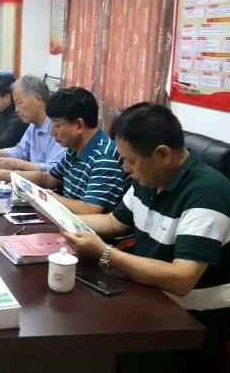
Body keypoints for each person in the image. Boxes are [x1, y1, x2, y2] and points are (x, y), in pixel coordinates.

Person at [63, 103, 230, 371]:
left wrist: (105, 253)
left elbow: (182, 278)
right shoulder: (149, 178)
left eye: (130, 161)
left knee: (86, 349)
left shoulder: (208, 193)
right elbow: (114, 222)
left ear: (162, 154)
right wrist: (59, 220)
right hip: (148, 295)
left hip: (190, 323)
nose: (125, 168)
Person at [0, 87, 126, 213]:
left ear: (78, 125)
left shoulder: (104, 157)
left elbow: (90, 209)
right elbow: (48, 179)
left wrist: (46, 197)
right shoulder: (75, 148)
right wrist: (5, 175)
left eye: (57, 125)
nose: (53, 133)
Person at [0, 75, 66, 178]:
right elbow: (20, 152)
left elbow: (56, 170)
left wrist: (18, 164)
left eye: (19, 103)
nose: (16, 109)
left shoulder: (58, 128)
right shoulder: (33, 125)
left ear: (38, 99)